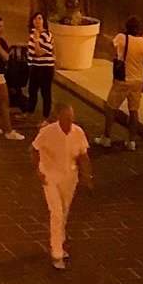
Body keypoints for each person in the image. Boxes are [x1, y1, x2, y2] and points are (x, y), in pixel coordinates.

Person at [32, 103, 92, 269]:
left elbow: (83, 155)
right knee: (56, 212)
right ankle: (57, 251)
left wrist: (87, 176)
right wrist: (38, 169)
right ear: (58, 117)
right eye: (66, 116)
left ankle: (60, 240)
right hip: (50, 176)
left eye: (72, 116)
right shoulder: (47, 132)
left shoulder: (78, 132)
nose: (70, 119)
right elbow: (34, 149)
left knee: (64, 210)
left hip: (69, 177)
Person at [101, 16, 143, 150]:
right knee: (134, 111)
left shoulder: (121, 38)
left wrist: (119, 55)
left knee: (111, 108)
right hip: (137, 81)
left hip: (122, 80)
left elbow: (109, 45)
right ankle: (131, 141)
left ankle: (106, 137)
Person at [26, 10, 55, 118]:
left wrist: (37, 39)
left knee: (45, 92)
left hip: (45, 68)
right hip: (35, 67)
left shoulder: (47, 35)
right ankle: (29, 112)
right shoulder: (33, 34)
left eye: (40, 18)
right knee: (32, 90)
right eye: (35, 18)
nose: (37, 21)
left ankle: (45, 117)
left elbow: (39, 52)